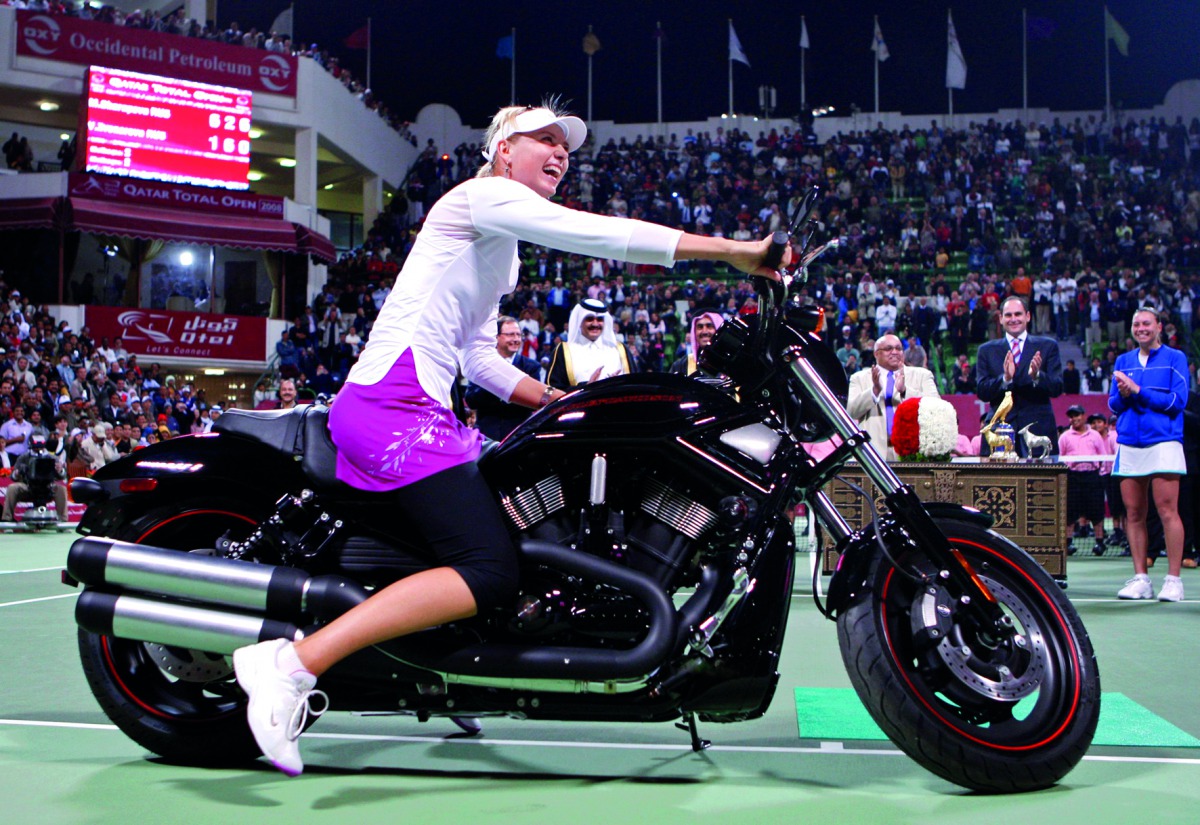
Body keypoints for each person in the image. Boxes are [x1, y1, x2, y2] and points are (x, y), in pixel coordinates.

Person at [230, 102, 790, 776]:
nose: (561, 153)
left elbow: (477, 358)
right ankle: (292, 663)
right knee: (488, 567)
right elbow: (598, 236)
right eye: (545, 141)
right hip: (389, 404)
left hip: (428, 408)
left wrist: (562, 399)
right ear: (504, 152)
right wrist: (734, 252)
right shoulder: (482, 197)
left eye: (567, 147)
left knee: (527, 525)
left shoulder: (501, 250)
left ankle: (457, 665)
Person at [1111, 308, 1189, 601]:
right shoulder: (1123, 361)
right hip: (1130, 442)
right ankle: (1141, 578)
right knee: (1133, 513)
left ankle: (1173, 580)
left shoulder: (1175, 358)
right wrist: (1125, 394)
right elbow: (1114, 405)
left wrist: (1138, 391)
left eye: (1146, 323)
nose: (1141, 328)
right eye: (1136, 324)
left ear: (1158, 326)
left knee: (1167, 510)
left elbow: (1176, 402)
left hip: (1164, 441)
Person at [974, 296, 1064, 457]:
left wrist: (1037, 376)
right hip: (1000, 430)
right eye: (1008, 315)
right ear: (1000, 318)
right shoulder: (987, 350)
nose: (1013, 319)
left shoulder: (1048, 346)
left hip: (1038, 427)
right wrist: (1005, 379)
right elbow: (982, 391)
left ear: (1028, 316)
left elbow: (1057, 387)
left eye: (1018, 314)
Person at [846, 333, 940, 460]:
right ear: (876, 354)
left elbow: (937, 408)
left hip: (912, 453)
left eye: (898, 348)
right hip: (873, 453)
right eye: (888, 349)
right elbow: (851, 412)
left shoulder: (922, 375)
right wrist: (874, 391)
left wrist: (906, 391)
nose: (895, 352)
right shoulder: (859, 378)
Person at [464, 316, 543, 440]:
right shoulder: (481, 365)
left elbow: (534, 402)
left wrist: (497, 390)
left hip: (519, 438)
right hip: (486, 437)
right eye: (510, 335)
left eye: (518, 335)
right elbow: (471, 400)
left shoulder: (531, 367)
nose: (516, 339)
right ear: (496, 337)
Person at [546, 298, 638, 390]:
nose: (595, 324)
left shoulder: (620, 349)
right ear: (580, 321)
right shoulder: (564, 350)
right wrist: (585, 388)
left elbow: (636, 386)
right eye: (589, 319)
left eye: (600, 319)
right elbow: (549, 391)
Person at [1058, 405, 1108, 555]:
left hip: (1092, 476)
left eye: (1077, 415)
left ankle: (1100, 543)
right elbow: (1060, 458)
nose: (1074, 419)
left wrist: (1101, 474)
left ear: (1084, 416)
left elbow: (1103, 455)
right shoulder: (1065, 436)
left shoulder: (1095, 435)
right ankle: (1068, 543)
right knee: (1070, 512)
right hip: (1073, 477)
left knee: (1097, 511)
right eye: (1071, 416)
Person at [1, 434, 68, 523]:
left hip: (47, 487)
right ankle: (7, 519)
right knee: (12, 488)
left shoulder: (52, 458)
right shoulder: (24, 457)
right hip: (28, 486)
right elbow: (13, 477)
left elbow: (62, 476)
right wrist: (18, 472)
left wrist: (60, 470)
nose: (38, 450)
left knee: (61, 489)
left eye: (40, 448)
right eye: (36, 448)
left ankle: (63, 520)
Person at [670, 311, 723, 375]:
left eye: (709, 326)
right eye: (700, 327)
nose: (704, 332)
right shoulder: (680, 366)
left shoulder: (733, 365)